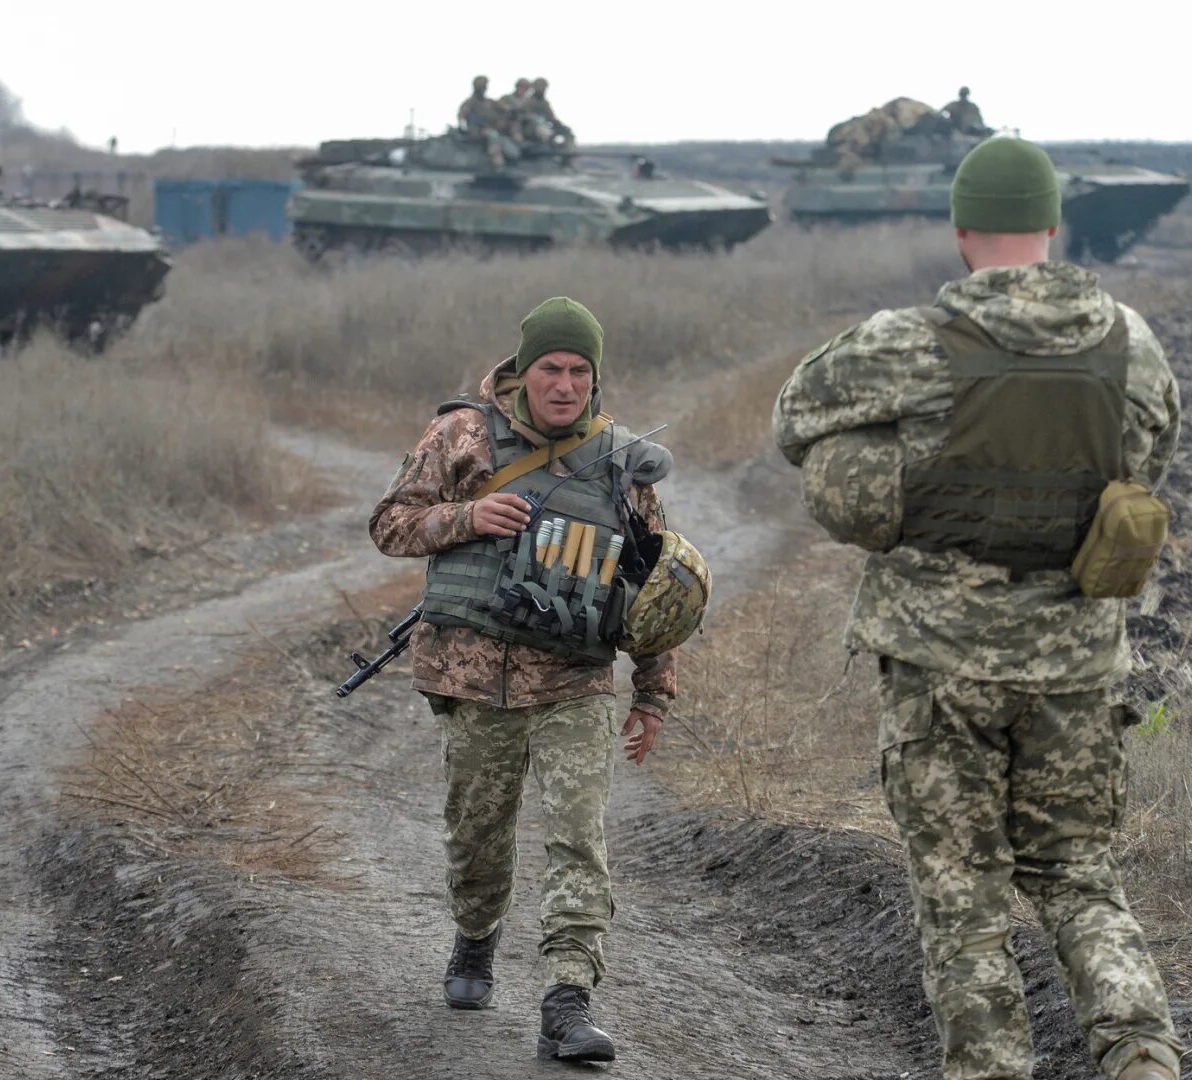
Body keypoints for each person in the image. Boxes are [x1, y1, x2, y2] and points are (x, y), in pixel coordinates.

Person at [773, 137, 1184, 1080]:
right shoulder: (1132, 343)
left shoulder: (911, 340)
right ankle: (1138, 1049)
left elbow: (795, 418)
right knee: (1078, 873)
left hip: (939, 666)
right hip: (1077, 663)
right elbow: (1146, 472)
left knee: (962, 896)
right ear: (1052, 224)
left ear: (961, 232)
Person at [369, 297, 679, 1064]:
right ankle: (474, 939)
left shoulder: (622, 463)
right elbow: (389, 526)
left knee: (579, 838)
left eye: (580, 371)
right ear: (522, 370)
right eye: (552, 368)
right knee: (478, 835)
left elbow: (654, 587)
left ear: (595, 378)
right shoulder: (460, 436)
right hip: (473, 680)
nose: (566, 384)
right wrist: (468, 519)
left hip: (574, 681)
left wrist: (652, 692)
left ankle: (567, 999)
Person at [457, 75, 515, 168]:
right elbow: (461, 116)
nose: (485, 89)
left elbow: (505, 109)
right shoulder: (470, 103)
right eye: (483, 86)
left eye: (485, 86)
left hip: (491, 128)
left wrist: (507, 113)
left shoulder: (490, 102)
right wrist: (463, 128)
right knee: (493, 136)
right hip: (478, 131)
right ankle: (498, 162)